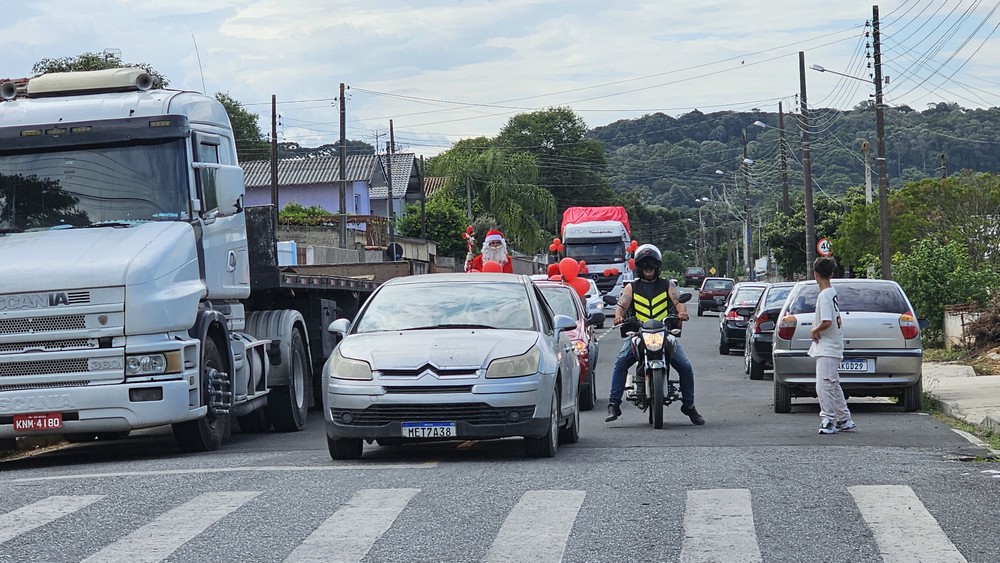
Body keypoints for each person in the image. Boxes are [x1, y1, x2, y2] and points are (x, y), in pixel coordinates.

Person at [605, 244, 705, 425]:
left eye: (651, 264)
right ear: (638, 267)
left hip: (665, 332)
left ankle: (689, 406)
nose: (648, 267)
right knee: (621, 362)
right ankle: (614, 404)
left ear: (657, 266)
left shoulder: (669, 285)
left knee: (685, 366)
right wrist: (619, 317)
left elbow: (678, 301)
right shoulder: (631, 287)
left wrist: (682, 312)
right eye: (644, 264)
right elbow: (622, 304)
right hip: (637, 333)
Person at [810, 256, 855, 434]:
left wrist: (815, 330)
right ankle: (844, 419)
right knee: (833, 383)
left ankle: (828, 419)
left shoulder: (824, 296)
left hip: (828, 347)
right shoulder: (832, 292)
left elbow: (827, 321)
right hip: (833, 345)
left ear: (815, 275)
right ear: (832, 273)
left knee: (824, 385)